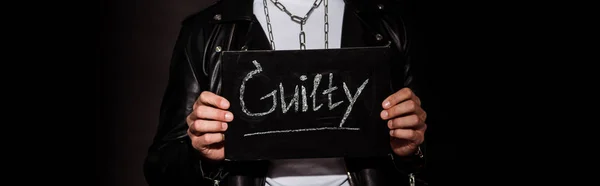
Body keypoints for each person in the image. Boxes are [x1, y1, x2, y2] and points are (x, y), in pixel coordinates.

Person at [144, 0, 428, 185]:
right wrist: (201, 155)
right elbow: (161, 167)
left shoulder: (386, 25)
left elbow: (427, 153)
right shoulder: (208, 31)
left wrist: (410, 150)